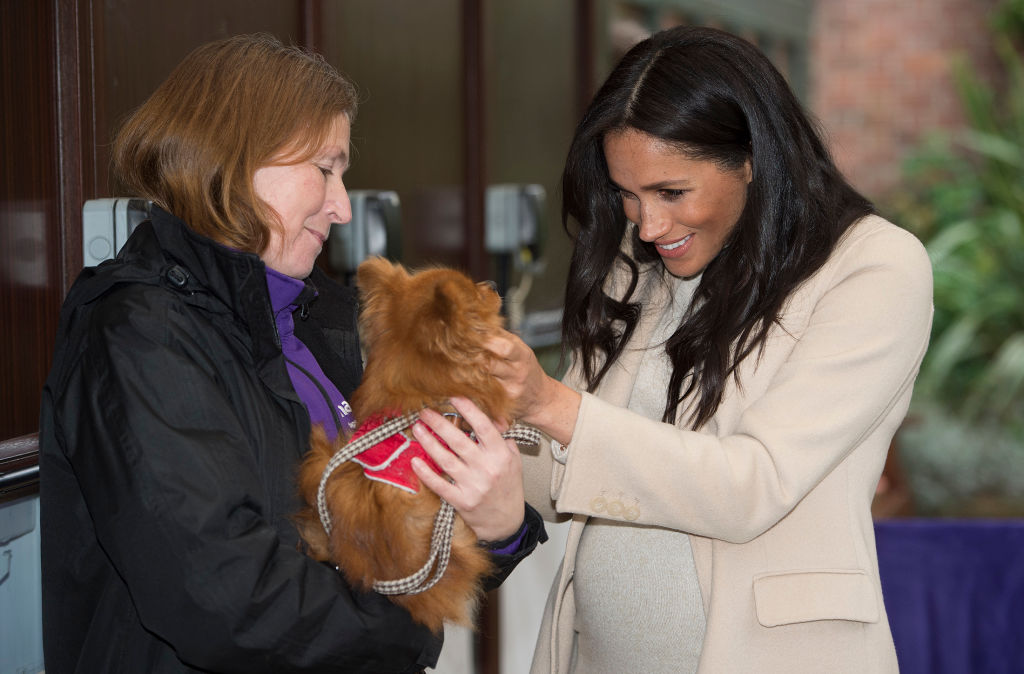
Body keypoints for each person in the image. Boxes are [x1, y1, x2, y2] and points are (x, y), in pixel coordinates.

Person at [38, 34, 544, 674]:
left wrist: (501, 528)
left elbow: (390, 542)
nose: (339, 206)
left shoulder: (313, 320)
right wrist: (410, 630)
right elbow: (225, 599)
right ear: (236, 156)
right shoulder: (138, 333)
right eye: (326, 169)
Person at [472, 25, 934, 674]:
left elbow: (753, 484)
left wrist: (550, 404)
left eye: (671, 192)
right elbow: (557, 478)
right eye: (628, 196)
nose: (648, 225)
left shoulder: (873, 267)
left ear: (750, 159)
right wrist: (483, 422)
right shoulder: (638, 264)